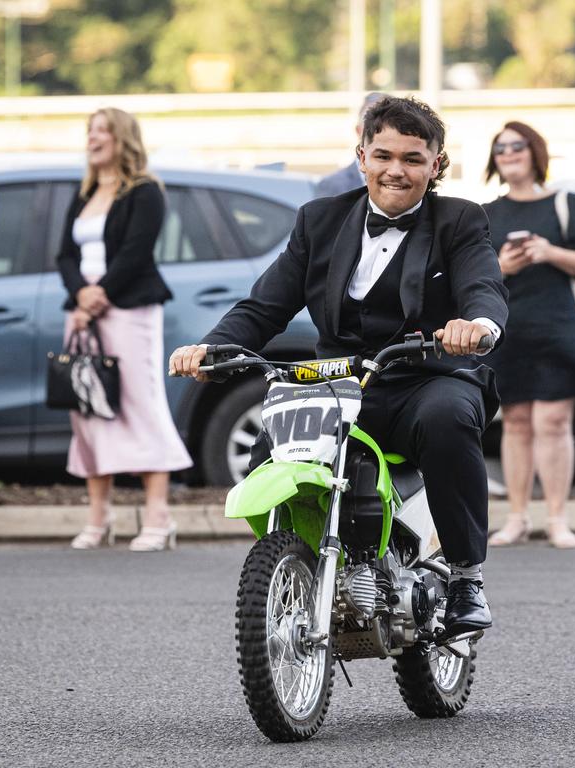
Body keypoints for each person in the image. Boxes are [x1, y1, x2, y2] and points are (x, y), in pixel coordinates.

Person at [170, 95, 508, 639]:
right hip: (341, 384)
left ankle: (467, 577)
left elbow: (483, 285)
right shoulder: (319, 220)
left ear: (436, 165)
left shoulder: (460, 221)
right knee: (269, 448)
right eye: (384, 155)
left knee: (447, 420)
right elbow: (265, 306)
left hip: (428, 378)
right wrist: (213, 350)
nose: (396, 170)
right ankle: (300, 564)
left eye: (413, 158)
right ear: (362, 156)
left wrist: (479, 326)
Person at [56, 107, 191, 552]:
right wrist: (80, 297)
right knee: (89, 408)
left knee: (138, 405)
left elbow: (135, 253)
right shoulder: (86, 191)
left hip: (129, 311)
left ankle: (158, 517)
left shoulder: (145, 191)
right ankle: (100, 518)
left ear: (122, 139)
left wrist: (98, 297)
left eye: (102, 131)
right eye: (89, 130)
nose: (92, 138)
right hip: (82, 315)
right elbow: (64, 256)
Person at [482, 121, 575, 549]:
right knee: (514, 423)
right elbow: (477, 274)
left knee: (553, 422)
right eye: (501, 149)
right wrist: (505, 266)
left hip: (560, 327)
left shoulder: (570, 203)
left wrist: (548, 251)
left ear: (536, 152)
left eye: (517, 146)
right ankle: (517, 517)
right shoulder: (487, 213)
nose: (510, 153)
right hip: (509, 328)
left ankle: (557, 518)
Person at [313, 92, 385, 198]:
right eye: (373, 127)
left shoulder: (408, 182)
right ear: (358, 130)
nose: (382, 134)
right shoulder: (332, 185)